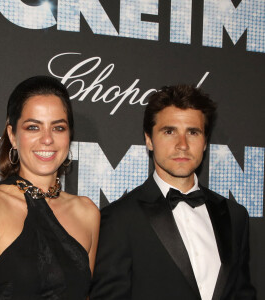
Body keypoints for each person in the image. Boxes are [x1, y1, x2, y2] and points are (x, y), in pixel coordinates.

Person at [90, 85, 256, 300]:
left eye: (193, 132)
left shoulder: (235, 216)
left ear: (205, 142)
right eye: (169, 132)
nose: (182, 145)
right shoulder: (119, 219)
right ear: (149, 140)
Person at [0, 76, 100, 300]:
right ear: (13, 135)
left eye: (58, 127)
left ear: (69, 135)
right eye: (33, 127)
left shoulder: (87, 213)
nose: (47, 139)